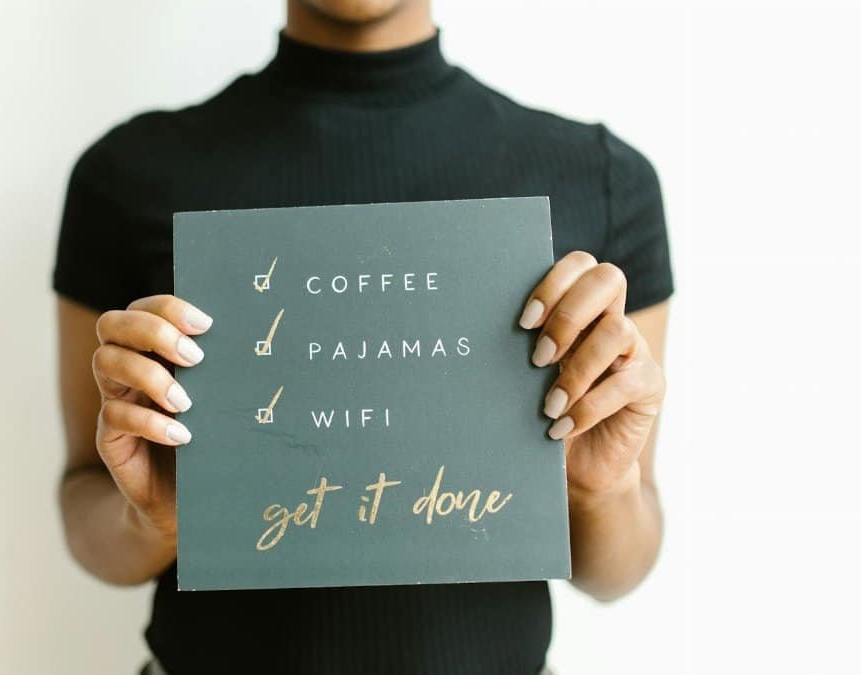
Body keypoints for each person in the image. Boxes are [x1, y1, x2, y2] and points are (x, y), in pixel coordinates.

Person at [52, 1, 672, 673]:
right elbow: (87, 504)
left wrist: (596, 494)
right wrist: (153, 522)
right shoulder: (125, 176)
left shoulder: (603, 179)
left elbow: (620, 567)